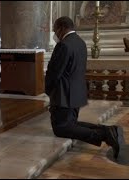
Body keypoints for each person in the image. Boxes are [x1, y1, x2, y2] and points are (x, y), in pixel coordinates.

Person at [45, 16, 124, 159]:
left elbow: (54, 72)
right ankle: (107, 130)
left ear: (61, 28)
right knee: (70, 124)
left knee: (61, 128)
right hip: (76, 94)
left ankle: (105, 135)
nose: (55, 34)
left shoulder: (63, 45)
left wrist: (49, 90)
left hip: (64, 95)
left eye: (55, 30)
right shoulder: (80, 42)